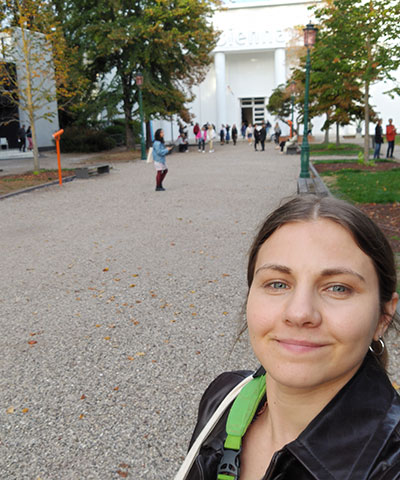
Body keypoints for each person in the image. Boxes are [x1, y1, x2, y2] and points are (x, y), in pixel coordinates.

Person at [175, 195, 400, 480]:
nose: (299, 313)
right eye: (278, 284)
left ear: (383, 317)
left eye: (338, 288)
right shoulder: (224, 397)